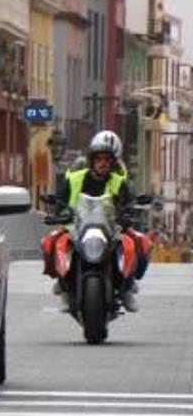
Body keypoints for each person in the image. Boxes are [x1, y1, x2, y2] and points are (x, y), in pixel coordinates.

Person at [42, 131, 147, 312]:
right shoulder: (74, 179)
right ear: (92, 161)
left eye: (107, 160)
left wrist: (128, 214)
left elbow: (129, 202)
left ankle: (127, 286)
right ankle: (63, 284)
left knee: (137, 242)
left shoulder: (120, 182)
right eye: (99, 159)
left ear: (113, 162)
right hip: (76, 226)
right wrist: (61, 212)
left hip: (112, 227)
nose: (103, 163)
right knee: (51, 242)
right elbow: (61, 200)